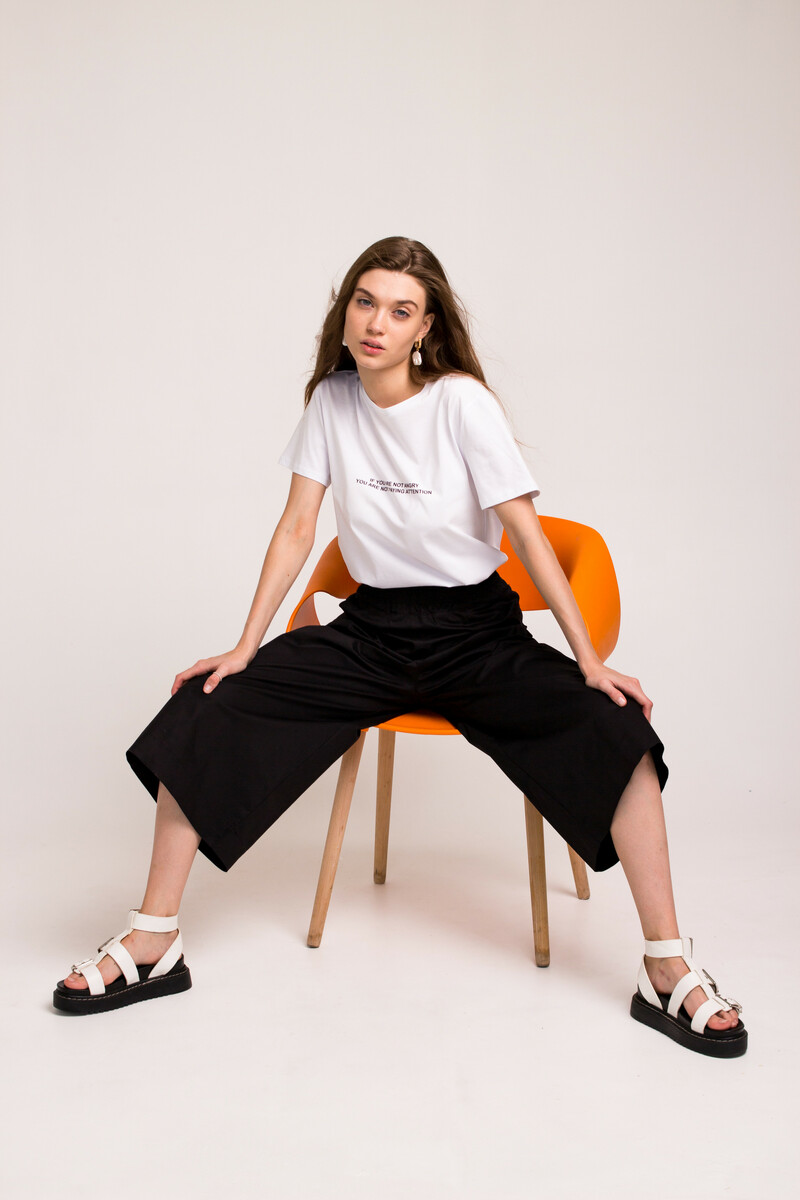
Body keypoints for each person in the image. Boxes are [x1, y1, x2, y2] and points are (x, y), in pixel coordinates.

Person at [53, 236, 746, 1057]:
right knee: (207, 705)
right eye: (365, 302)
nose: (377, 322)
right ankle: (153, 939)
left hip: (475, 634)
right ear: (346, 311)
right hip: (371, 632)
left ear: (426, 328)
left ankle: (666, 965)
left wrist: (588, 660)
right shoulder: (332, 402)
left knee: (620, 733)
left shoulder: (462, 404)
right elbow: (297, 528)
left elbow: (526, 537)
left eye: (400, 310)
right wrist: (245, 646)